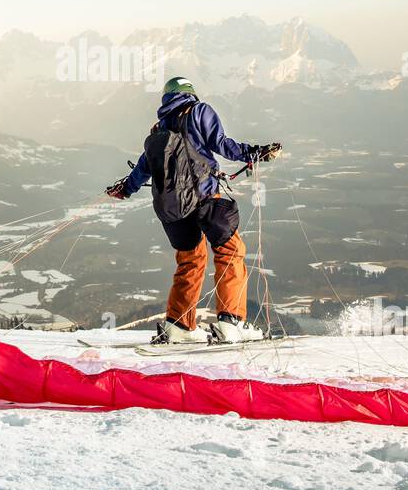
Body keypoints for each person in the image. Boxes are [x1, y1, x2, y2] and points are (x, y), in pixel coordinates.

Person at [106, 76, 281, 345]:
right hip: (204, 198)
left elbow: (143, 169)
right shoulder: (199, 111)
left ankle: (179, 325)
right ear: (190, 94)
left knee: (190, 260)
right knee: (231, 251)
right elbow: (224, 145)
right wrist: (255, 153)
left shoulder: (158, 131)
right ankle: (230, 322)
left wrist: (125, 189)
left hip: (173, 209)